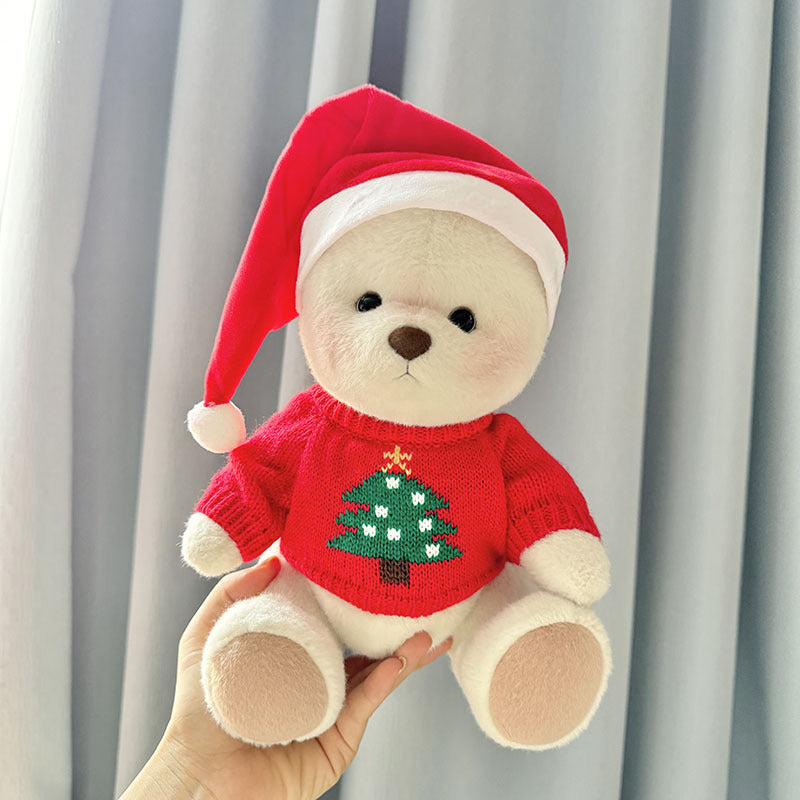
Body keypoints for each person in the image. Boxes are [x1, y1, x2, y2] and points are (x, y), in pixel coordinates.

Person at [120, 557, 451, 799]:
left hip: (443, 587)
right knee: (289, 578)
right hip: (306, 573)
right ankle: (276, 637)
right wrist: (194, 771)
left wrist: (197, 775)